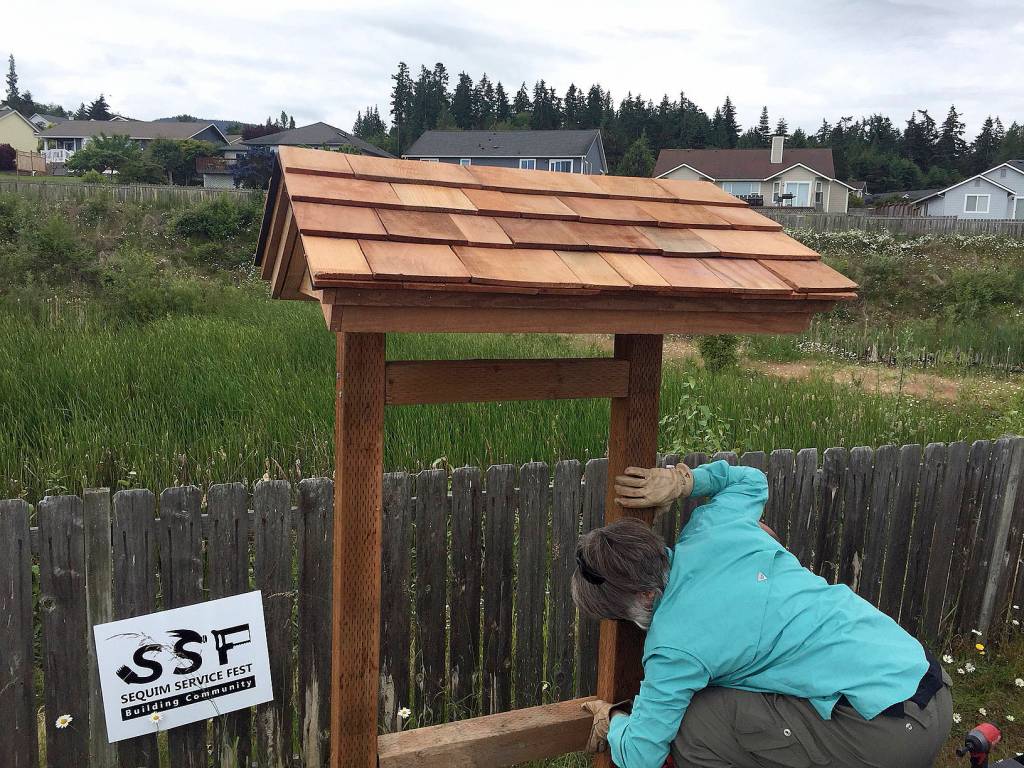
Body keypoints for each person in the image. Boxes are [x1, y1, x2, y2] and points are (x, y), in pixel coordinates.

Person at [573, 460, 952, 768]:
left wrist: (617, 724)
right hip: (926, 681)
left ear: (644, 596)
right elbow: (751, 482)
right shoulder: (713, 527)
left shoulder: (673, 647)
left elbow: (642, 756)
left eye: (619, 615)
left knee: (695, 727)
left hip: (889, 736)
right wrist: (682, 481)